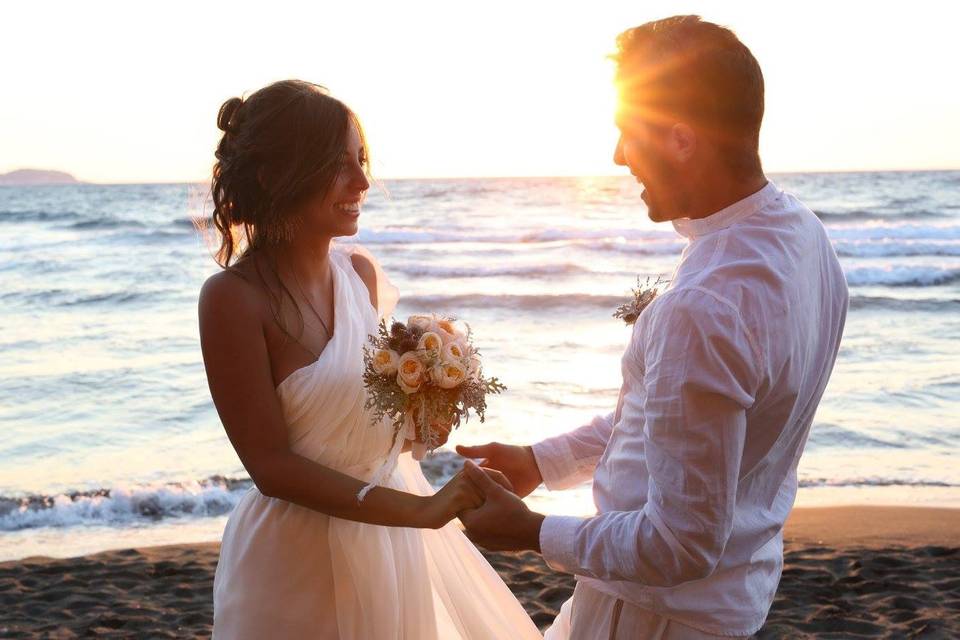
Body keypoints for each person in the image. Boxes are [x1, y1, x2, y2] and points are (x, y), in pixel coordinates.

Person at [457, 15, 849, 639]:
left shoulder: (704, 309)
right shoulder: (805, 239)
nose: (618, 156)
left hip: (651, 619)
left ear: (682, 139)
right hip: (723, 607)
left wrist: (531, 531)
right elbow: (671, 428)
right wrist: (542, 461)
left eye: (626, 133)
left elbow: (679, 545)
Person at [198, 79, 541, 639]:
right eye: (337, 165)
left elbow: (368, 422)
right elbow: (271, 467)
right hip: (294, 561)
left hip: (391, 544)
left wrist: (423, 418)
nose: (362, 182)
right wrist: (423, 513)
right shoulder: (233, 299)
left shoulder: (360, 276)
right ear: (273, 175)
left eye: (361, 161)